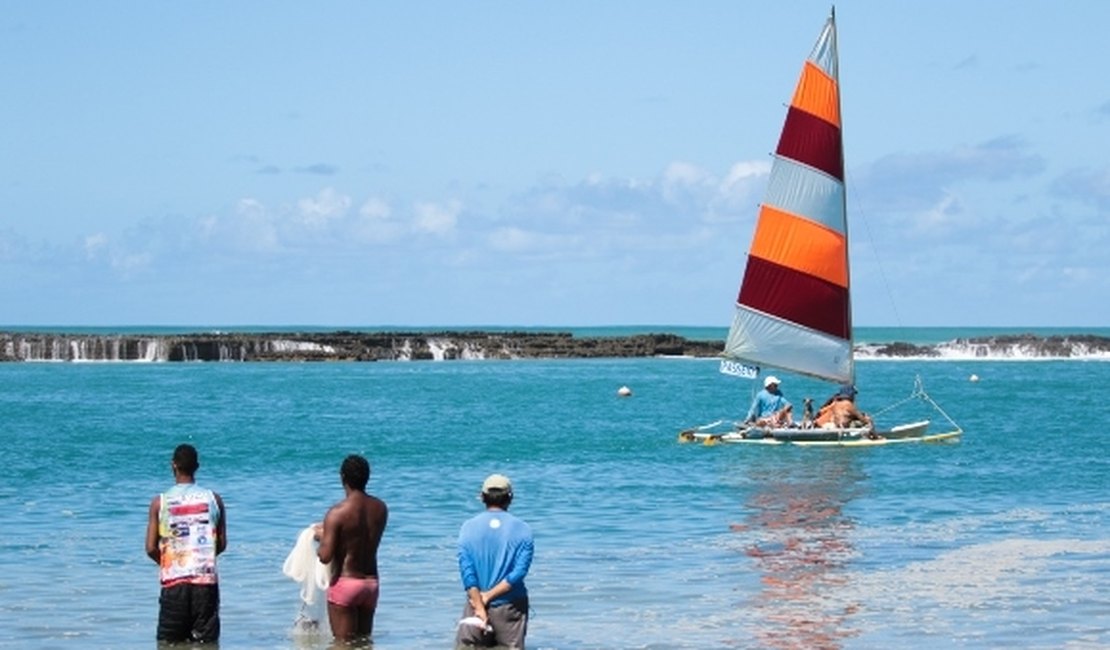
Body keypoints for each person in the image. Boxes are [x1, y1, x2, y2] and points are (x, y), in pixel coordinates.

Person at [145, 443, 227, 643]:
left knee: (169, 642)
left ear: (173, 465)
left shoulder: (160, 502)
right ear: (197, 466)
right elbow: (222, 543)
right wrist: (200, 559)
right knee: (206, 642)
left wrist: (168, 562)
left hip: (174, 583)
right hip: (205, 583)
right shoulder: (214, 499)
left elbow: (150, 548)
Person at [315, 454, 389, 642]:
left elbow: (325, 556)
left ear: (342, 478)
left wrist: (320, 537)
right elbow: (361, 537)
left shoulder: (337, 513)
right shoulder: (380, 508)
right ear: (367, 478)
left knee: (343, 645)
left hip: (346, 583)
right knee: (364, 643)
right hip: (371, 585)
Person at [455, 474, 534, 650]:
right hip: (510, 606)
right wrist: (488, 597)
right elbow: (518, 574)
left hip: (475, 603)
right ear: (510, 497)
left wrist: (479, 603)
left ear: (482, 497)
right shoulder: (523, 529)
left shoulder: (467, 527)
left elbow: (467, 572)